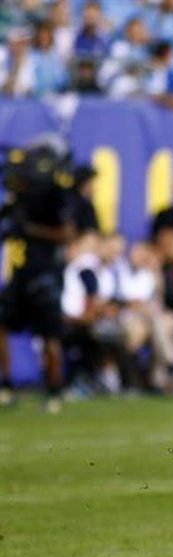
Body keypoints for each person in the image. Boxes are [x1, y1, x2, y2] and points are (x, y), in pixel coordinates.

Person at [0, 137, 76, 412]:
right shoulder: (20, 194)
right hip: (21, 272)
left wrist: (29, 230)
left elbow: (67, 234)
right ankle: (6, 385)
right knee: (3, 323)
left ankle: (55, 389)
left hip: (46, 272)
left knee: (49, 336)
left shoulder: (57, 194)